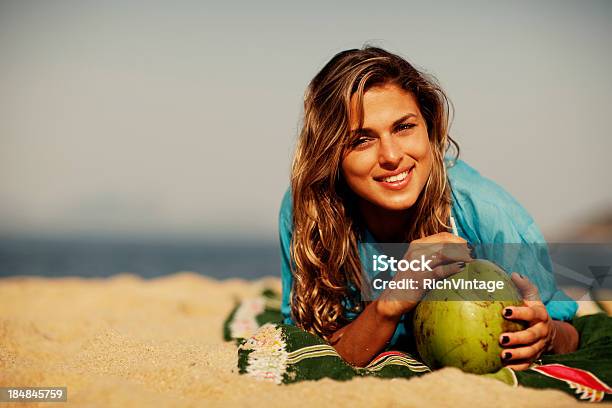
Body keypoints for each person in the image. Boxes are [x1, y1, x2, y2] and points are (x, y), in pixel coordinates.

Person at [278, 46, 579, 370]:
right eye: (361, 140)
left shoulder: (487, 214)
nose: (391, 155)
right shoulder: (310, 214)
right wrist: (390, 304)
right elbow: (314, 352)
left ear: (430, 126)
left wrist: (546, 335)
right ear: (330, 154)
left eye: (404, 127)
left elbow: (570, 333)